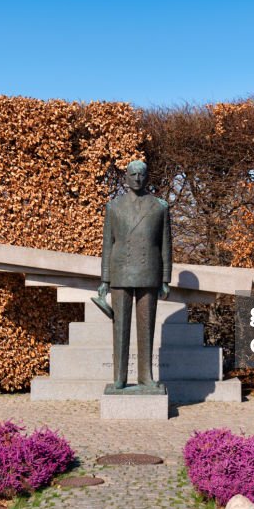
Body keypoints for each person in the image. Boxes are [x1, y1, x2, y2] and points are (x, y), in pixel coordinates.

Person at [97, 160, 171, 392]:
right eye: (133, 174)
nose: (137, 178)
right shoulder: (114, 206)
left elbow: (166, 245)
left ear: (147, 177)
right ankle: (119, 377)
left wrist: (165, 279)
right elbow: (107, 245)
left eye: (141, 174)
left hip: (149, 272)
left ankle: (145, 376)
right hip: (120, 272)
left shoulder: (159, 206)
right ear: (126, 177)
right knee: (120, 328)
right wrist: (105, 280)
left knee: (146, 328)